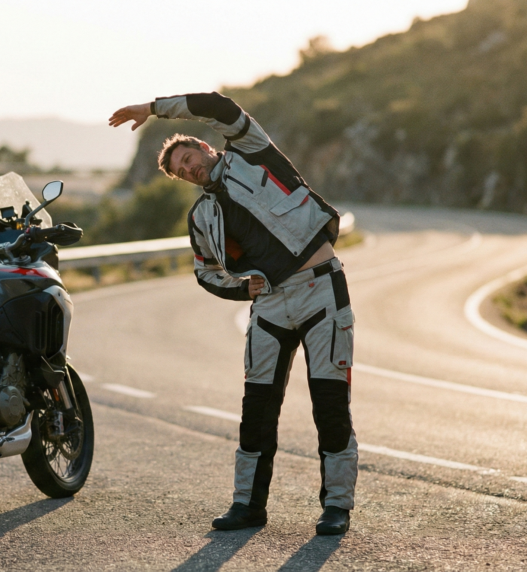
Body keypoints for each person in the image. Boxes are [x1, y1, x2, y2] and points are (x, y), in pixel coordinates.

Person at [110, 92, 357, 535]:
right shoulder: (201, 217)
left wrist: (153, 109)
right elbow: (205, 271)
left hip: (320, 287)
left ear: (205, 147)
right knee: (256, 408)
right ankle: (247, 505)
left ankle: (336, 506)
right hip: (270, 305)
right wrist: (242, 288)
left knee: (330, 402)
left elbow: (217, 107)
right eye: (181, 171)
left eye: (189, 158)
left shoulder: (251, 151)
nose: (189, 169)